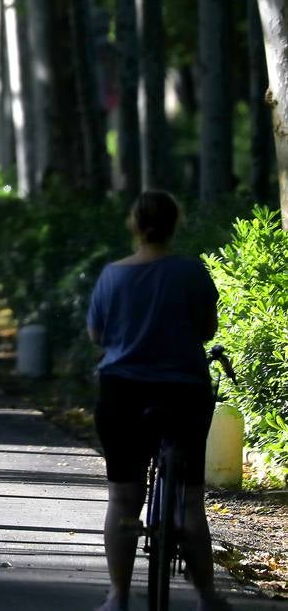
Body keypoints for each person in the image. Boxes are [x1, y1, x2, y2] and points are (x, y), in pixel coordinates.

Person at [87, 191, 230, 611]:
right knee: (189, 499)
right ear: (175, 224)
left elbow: (98, 336)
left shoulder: (112, 276)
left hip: (122, 392)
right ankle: (206, 597)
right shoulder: (191, 272)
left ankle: (117, 596)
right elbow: (207, 330)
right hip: (183, 391)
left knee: (123, 497)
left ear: (134, 224)